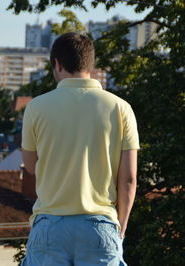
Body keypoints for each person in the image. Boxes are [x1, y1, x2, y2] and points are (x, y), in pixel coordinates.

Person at [21, 32, 139, 265]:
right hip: (100, 226)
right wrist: (120, 227)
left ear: (57, 63)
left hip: (50, 227)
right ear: (91, 64)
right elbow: (128, 179)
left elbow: (32, 166)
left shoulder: (36, 108)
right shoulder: (121, 108)